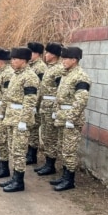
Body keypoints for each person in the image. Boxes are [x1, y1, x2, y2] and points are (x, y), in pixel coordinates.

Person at [0, 47, 39, 193]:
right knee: (12, 148)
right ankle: (15, 177)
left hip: (20, 118)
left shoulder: (30, 77)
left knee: (19, 150)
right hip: (11, 116)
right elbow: (7, 96)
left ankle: (19, 181)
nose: (13, 62)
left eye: (16, 59)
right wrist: (2, 113)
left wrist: (24, 121)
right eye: (12, 59)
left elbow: (30, 101)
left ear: (24, 61)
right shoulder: (15, 75)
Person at [50, 46, 91, 191]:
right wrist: (56, 111)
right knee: (62, 147)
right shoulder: (67, 74)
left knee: (69, 150)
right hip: (62, 116)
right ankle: (64, 175)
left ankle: (69, 180)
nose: (63, 61)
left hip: (71, 120)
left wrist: (71, 119)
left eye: (66, 58)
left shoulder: (81, 76)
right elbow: (60, 96)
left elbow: (81, 100)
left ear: (74, 60)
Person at [34, 42, 65, 176]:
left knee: (51, 137)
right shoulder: (49, 68)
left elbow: (60, 90)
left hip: (51, 107)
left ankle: (50, 164)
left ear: (54, 55)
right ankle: (47, 162)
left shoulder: (58, 69)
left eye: (47, 53)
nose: (45, 55)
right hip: (45, 107)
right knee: (46, 135)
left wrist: (56, 110)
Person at [26, 41, 48, 165]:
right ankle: (29, 152)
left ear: (38, 54)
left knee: (34, 129)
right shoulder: (31, 65)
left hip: (37, 103)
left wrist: (35, 104)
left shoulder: (40, 67)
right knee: (30, 128)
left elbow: (40, 88)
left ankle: (32, 155)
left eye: (32, 52)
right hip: (31, 102)